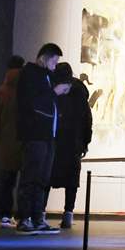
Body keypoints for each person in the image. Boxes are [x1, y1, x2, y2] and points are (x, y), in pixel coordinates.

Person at [13, 44, 66, 235]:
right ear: (45, 58)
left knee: (42, 178)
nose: (55, 65)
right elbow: (31, 102)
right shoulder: (30, 75)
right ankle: (24, 218)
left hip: (48, 135)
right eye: (54, 60)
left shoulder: (47, 77)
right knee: (31, 176)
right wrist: (54, 92)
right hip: (34, 134)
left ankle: (37, 217)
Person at [50, 62, 92, 228]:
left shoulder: (55, 91)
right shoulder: (80, 94)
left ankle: (40, 214)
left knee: (48, 178)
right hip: (74, 142)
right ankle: (68, 214)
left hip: (56, 141)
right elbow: (87, 120)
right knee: (71, 180)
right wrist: (85, 142)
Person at [0, 55, 24, 227]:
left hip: (6, 141)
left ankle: (5, 214)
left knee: (7, 181)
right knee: (25, 181)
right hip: (24, 140)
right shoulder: (27, 89)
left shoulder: (1, 91)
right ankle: (23, 215)